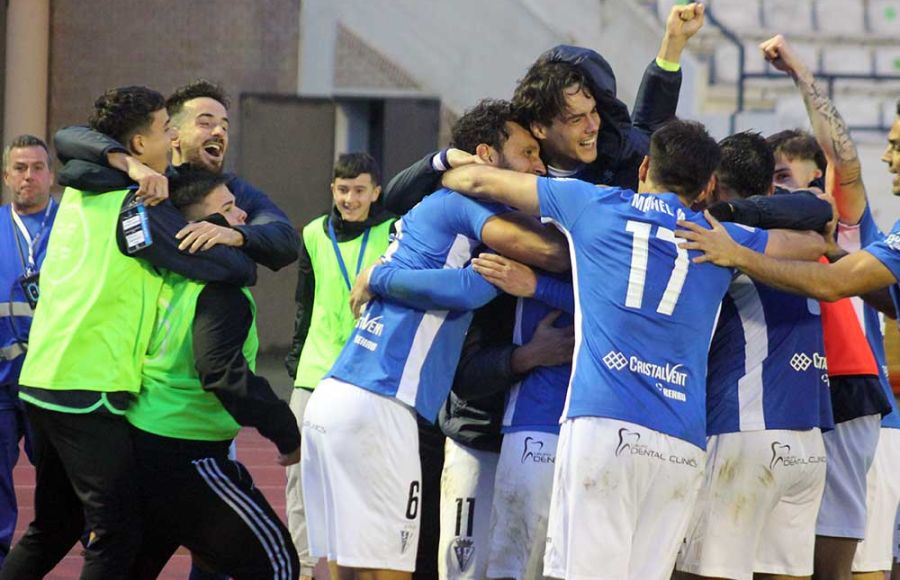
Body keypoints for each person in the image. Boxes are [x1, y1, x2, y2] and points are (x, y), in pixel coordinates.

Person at [442, 119, 826, 580]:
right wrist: (739, 244)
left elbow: (473, 180)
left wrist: (444, 162)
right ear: (707, 185)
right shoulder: (720, 239)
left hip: (605, 427)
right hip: (681, 441)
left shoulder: (594, 203)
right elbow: (811, 243)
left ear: (644, 166)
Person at [0, 86, 256, 580]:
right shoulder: (135, 205)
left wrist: (134, 169)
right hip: (88, 387)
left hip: (45, 378)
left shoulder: (82, 185)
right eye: (165, 129)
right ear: (139, 145)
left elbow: (71, 140)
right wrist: (236, 245)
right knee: (117, 532)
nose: (172, 136)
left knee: (54, 527)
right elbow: (214, 265)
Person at [301, 113, 568, 579]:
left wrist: (380, 275)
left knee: (347, 571)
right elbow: (508, 273)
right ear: (487, 157)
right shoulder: (464, 206)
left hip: (340, 397)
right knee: (388, 572)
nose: (539, 166)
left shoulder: (432, 206)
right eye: (528, 152)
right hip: (381, 403)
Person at [760, 34, 898, 580]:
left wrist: (801, 75)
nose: (777, 192)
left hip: (858, 400)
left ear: (818, 178)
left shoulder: (846, 225)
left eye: (783, 177)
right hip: (798, 402)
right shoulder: (765, 231)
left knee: (858, 562)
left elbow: (845, 157)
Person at [126, 167, 301, 580]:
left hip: (139, 442)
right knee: (277, 564)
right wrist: (285, 430)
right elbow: (220, 370)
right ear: (200, 229)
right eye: (228, 209)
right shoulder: (221, 290)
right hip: (185, 451)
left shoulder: (164, 276)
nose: (242, 216)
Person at [674, 131, 833, 580]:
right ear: (768, 188)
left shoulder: (716, 239)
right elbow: (820, 212)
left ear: (710, 184)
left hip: (744, 430)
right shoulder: (801, 236)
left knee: (703, 572)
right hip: (807, 441)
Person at [283, 152, 395, 579]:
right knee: (299, 479)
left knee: (360, 477)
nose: (351, 199)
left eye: (360, 191)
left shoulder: (393, 231)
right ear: (333, 189)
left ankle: (357, 565)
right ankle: (307, 568)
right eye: (344, 190)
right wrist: (296, 365)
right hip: (313, 374)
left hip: (367, 376)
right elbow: (303, 304)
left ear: (376, 192)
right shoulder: (313, 233)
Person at [54, 79, 299, 272]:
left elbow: (285, 239)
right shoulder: (140, 180)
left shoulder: (234, 189)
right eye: (205, 123)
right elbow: (68, 137)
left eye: (225, 126)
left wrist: (236, 235)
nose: (218, 132)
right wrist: (129, 164)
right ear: (174, 134)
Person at [0, 135, 56, 566]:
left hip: (56, 381)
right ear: (6, 177)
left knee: (63, 486)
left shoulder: (71, 227)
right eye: (20, 168)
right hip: (1, 384)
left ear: (51, 176)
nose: (28, 177)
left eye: (37, 167)